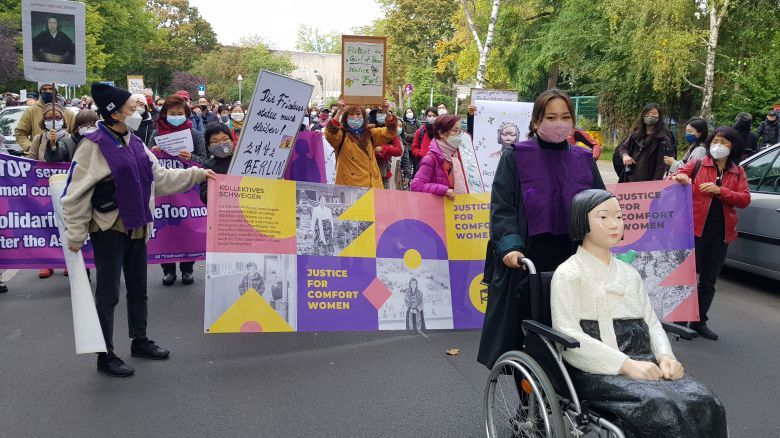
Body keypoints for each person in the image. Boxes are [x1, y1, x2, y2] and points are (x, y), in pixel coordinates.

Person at [61, 82, 216, 377]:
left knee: (138, 289)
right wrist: (76, 235)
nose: (137, 112)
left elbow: (160, 177)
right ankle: (104, 354)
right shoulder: (92, 146)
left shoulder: (135, 142)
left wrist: (196, 173)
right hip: (109, 228)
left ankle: (139, 339)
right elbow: (75, 194)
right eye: (132, 108)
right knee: (108, 294)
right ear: (115, 114)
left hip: (139, 226)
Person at [551, 189, 727, 438]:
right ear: (582, 221)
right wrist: (625, 365)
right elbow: (567, 333)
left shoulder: (629, 273)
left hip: (645, 358)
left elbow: (651, 323)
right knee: (662, 410)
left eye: (619, 217)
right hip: (600, 368)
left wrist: (665, 356)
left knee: (706, 402)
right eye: (603, 217)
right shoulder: (569, 274)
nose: (614, 224)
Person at [477, 88, 606, 369]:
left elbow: (601, 207)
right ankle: (528, 404)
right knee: (527, 334)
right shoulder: (516, 156)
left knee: (575, 330)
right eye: (551, 116)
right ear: (536, 122)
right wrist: (510, 245)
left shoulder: (584, 160)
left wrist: (604, 242)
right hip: (529, 258)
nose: (559, 123)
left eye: (565, 116)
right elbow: (503, 207)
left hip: (573, 257)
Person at [671, 126, 750, 340]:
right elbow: (675, 177)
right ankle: (678, 322)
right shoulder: (697, 164)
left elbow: (744, 199)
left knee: (708, 281)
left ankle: (699, 322)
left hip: (721, 234)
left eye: (725, 142)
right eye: (716, 140)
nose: (719, 145)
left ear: (733, 146)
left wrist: (720, 191)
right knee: (686, 277)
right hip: (694, 230)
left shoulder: (737, 171)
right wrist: (680, 178)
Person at [149, 94, 209, 286]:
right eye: (171, 113)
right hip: (165, 190)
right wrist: (154, 153)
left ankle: (187, 268)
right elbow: (147, 161)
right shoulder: (157, 134)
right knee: (166, 228)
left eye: (180, 113)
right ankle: (168, 270)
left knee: (187, 227)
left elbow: (205, 161)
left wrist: (191, 157)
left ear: (187, 115)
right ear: (164, 114)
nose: (176, 116)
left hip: (189, 190)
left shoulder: (194, 135)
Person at [25, 103, 76, 279]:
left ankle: (68, 261)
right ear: (43, 120)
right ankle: (48, 262)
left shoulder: (70, 138)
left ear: (63, 120)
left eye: (56, 118)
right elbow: (30, 162)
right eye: (48, 118)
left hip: (65, 188)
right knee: (46, 225)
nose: (53, 121)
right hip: (43, 190)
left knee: (67, 224)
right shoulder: (38, 139)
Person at [324, 98, 398, 188]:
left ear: (364, 117)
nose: (355, 117)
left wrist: (387, 112)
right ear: (346, 118)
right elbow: (330, 135)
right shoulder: (342, 135)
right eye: (351, 114)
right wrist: (339, 111)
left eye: (358, 114)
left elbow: (391, 133)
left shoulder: (371, 133)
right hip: (349, 188)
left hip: (371, 186)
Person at [411, 114, 468, 197]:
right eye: (455, 131)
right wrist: (444, 190)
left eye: (460, 131)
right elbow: (416, 186)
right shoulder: (430, 159)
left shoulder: (455, 156)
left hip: (455, 207)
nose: (459, 135)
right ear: (441, 133)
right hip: (437, 209)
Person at [615, 103, 673, 182]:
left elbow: (661, 166)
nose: (650, 116)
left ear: (659, 117)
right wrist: (625, 156)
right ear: (643, 115)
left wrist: (655, 184)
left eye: (654, 114)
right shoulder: (636, 135)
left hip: (648, 182)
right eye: (647, 113)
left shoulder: (663, 139)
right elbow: (623, 147)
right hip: (630, 178)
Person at [14, 84, 75, 152]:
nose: (48, 91)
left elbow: (75, 136)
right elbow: (20, 133)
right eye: (44, 89)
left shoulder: (69, 114)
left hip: (63, 158)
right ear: (40, 92)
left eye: (51, 89)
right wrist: (32, 148)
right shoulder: (31, 111)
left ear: (56, 91)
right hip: (38, 159)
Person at [199, 123, 234, 204]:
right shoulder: (208, 166)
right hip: (222, 212)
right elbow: (204, 196)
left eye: (225, 139)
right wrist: (218, 189)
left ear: (231, 140)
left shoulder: (240, 161)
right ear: (209, 146)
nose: (221, 144)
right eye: (215, 141)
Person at [370, 107, 403, 189]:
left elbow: (399, 151)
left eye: (384, 113)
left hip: (384, 172)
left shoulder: (390, 132)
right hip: (369, 172)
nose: (382, 115)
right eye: (379, 112)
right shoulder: (368, 129)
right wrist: (374, 150)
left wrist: (384, 148)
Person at [410, 107, 438, 176]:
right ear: (426, 117)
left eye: (434, 116)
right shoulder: (420, 131)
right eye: (429, 116)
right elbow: (413, 148)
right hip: (423, 163)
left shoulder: (441, 132)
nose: (432, 118)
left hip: (437, 165)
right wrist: (420, 153)